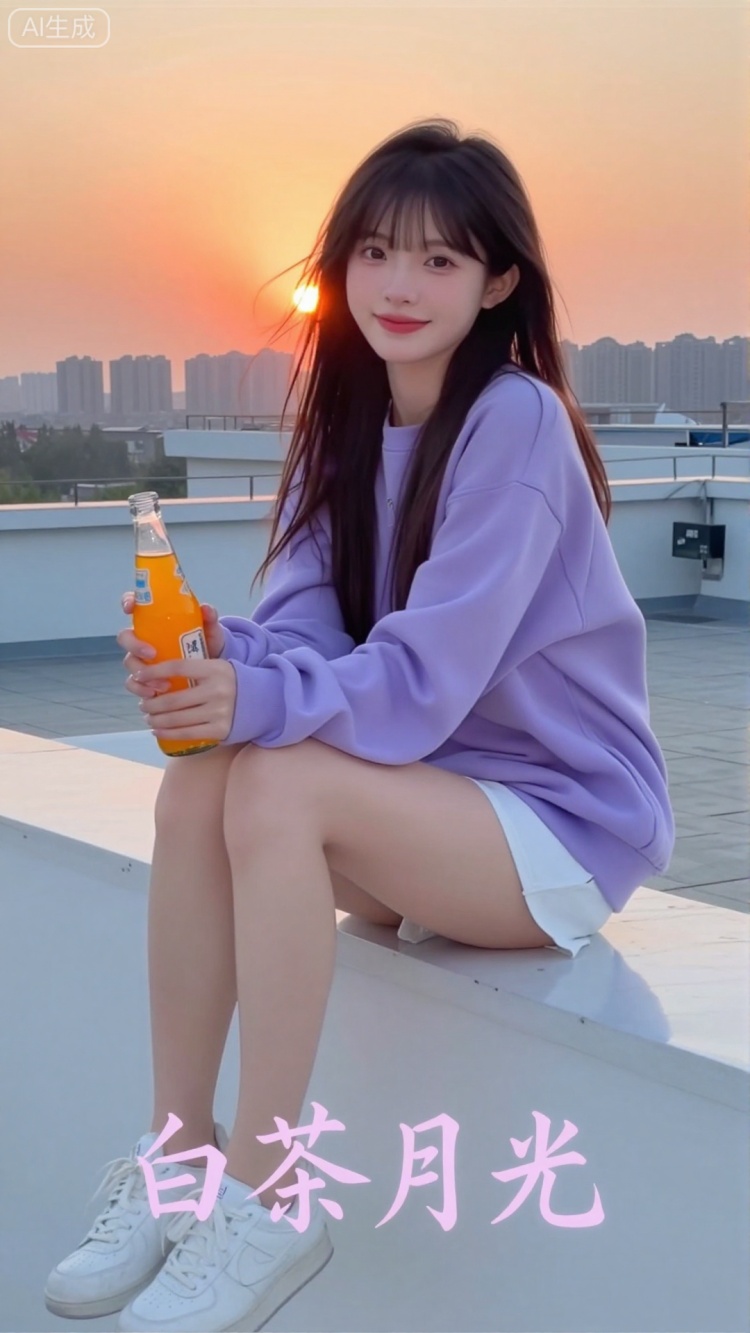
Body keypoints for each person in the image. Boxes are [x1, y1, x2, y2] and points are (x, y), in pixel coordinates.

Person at [44, 117, 675, 1332]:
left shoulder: (517, 422)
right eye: (377, 252)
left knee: (277, 778)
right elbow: (308, 636)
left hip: (554, 825)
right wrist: (218, 656)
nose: (399, 284)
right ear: (338, 267)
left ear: (499, 282)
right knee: (204, 770)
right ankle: (178, 1158)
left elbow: (426, 678)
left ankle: (268, 1195)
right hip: (421, 806)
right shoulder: (344, 423)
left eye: (441, 260)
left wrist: (261, 695)